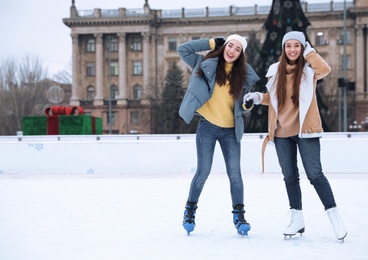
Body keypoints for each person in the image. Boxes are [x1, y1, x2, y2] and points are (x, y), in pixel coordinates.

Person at [244, 31, 347, 241]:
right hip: (281, 133)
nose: (292, 49)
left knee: (315, 175)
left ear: (302, 48)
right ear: (284, 49)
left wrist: (310, 51)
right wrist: (257, 97)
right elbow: (273, 99)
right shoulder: (275, 71)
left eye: (297, 46)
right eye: (288, 46)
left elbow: (325, 69)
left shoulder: (310, 70)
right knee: (290, 178)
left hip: (306, 131)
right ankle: (297, 219)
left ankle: (334, 216)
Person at [177, 34, 259, 236]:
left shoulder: (244, 75)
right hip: (207, 126)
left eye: (237, 49)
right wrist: (210, 43)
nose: (232, 51)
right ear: (224, 47)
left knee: (235, 175)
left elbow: (243, 105)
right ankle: (190, 211)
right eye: (230, 46)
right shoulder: (203, 62)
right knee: (203, 171)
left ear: (241, 54)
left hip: (231, 130)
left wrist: (247, 105)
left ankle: (239, 216)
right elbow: (183, 49)